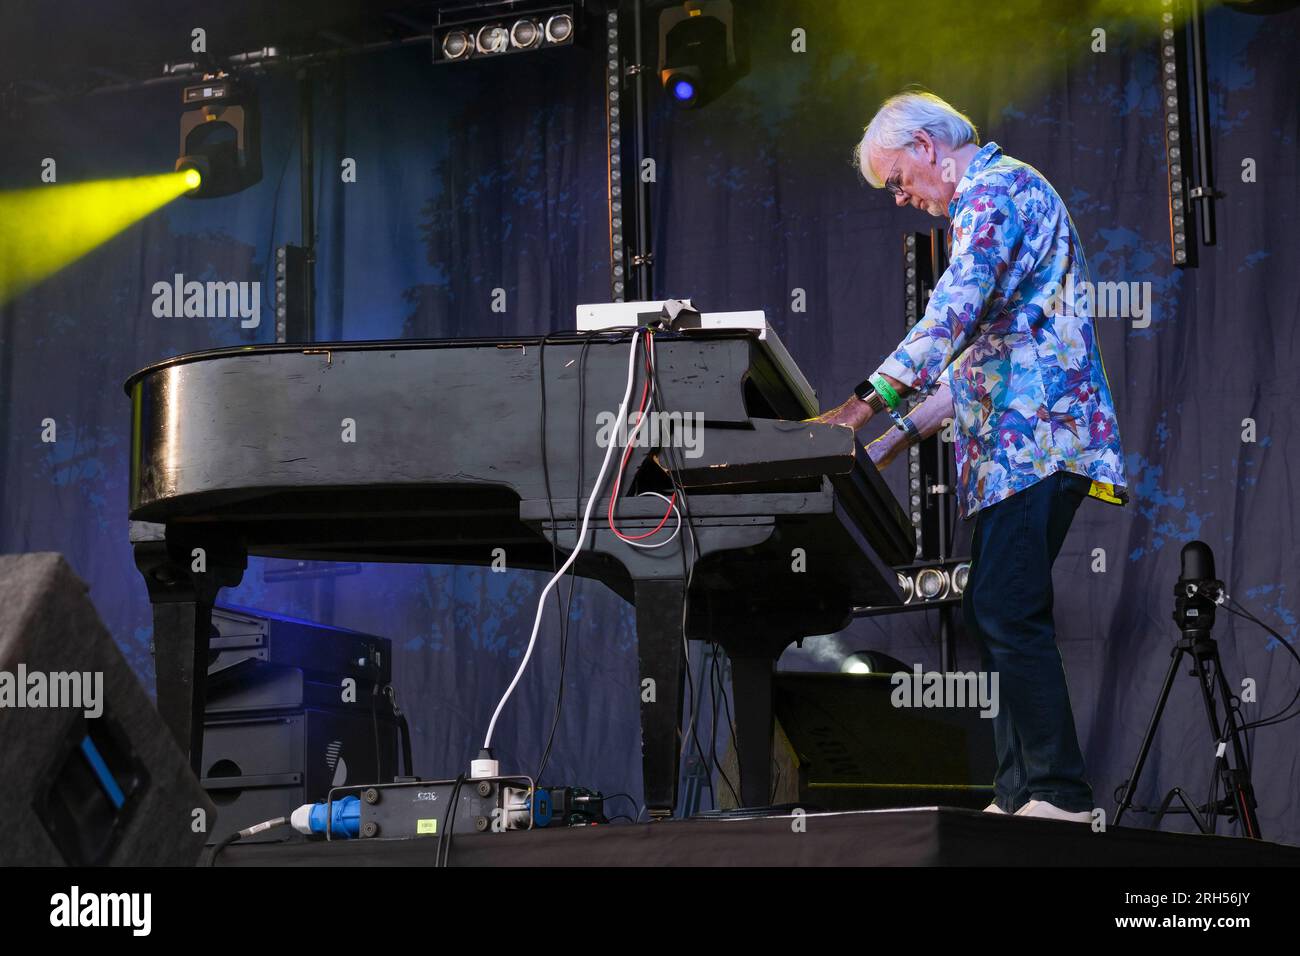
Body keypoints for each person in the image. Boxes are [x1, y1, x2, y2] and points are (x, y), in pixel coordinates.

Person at [811, 91, 1128, 822]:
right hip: (1020, 450)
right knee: (997, 609)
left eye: (897, 179)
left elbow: (948, 314)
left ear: (927, 146)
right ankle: (1020, 793)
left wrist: (860, 407)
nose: (900, 198)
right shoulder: (993, 199)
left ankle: (1058, 793)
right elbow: (969, 371)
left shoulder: (995, 191)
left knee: (1007, 608)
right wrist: (885, 443)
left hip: (1040, 442)